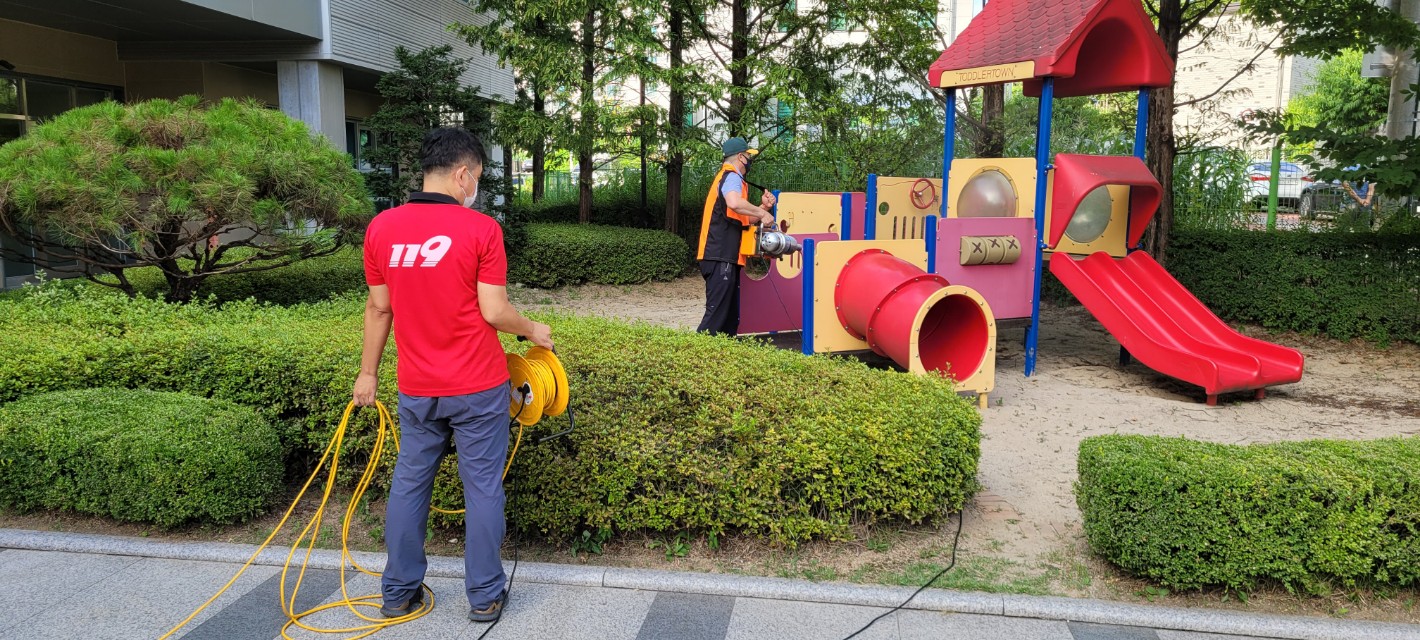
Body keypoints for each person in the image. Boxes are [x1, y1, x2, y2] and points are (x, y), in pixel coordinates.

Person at [352, 127, 553, 624]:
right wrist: (534, 330)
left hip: (418, 387)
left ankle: (398, 593)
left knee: (409, 484)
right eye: (476, 177)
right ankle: (484, 596)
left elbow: (379, 309)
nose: (474, 187)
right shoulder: (481, 230)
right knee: (482, 488)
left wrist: (367, 373)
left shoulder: (381, 228)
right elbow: (495, 310)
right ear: (463, 174)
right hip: (478, 386)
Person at [695, 137, 777, 336]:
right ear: (741, 157)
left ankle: (723, 352)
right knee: (716, 318)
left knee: (729, 319)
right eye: (749, 156)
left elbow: (742, 218)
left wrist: (763, 207)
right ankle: (695, 351)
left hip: (725, 257)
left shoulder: (731, 179)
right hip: (719, 255)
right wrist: (763, 213)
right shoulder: (731, 176)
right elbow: (733, 202)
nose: (750, 160)